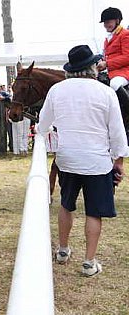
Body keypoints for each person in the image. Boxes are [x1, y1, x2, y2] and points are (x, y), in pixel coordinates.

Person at [38, 44, 127, 277]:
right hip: (98, 161)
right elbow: (117, 131)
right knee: (94, 212)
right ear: (91, 67)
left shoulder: (57, 90)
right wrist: (119, 161)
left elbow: (43, 125)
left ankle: (63, 250)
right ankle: (89, 262)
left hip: (67, 159)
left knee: (66, 205)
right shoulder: (105, 91)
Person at [97, 7, 129, 120]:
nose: (106, 25)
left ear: (117, 21)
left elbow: (127, 57)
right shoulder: (108, 38)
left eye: (108, 22)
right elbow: (107, 56)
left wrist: (107, 63)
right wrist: (101, 62)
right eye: (105, 23)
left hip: (124, 72)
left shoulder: (125, 34)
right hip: (111, 71)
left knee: (114, 84)